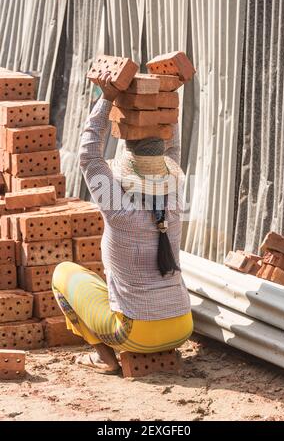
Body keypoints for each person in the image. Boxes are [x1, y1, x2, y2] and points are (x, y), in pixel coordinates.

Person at [52, 72, 193, 374]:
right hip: (182, 326)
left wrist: (106, 98)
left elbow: (89, 155)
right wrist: (165, 101)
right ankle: (164, 347)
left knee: (63, 273)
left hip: (136, 334)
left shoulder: (119, 210)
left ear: (127, 172)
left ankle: (104, 356)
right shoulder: (174, 200)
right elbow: (172, 150)